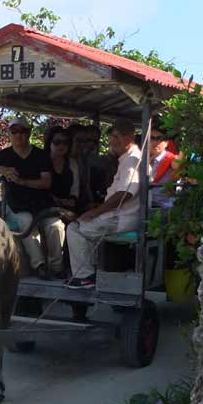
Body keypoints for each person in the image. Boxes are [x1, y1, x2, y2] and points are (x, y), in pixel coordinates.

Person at [0, 117, 65, 280]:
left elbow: (46, 182)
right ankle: (39, 265)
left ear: (29, 133)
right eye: (14, 131)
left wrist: (22, 181)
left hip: (42, 204)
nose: (19, 135)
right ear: (9, 134)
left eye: (23, 131)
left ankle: (57, 267)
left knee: (56, 226)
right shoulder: (3, 155)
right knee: (26, 222)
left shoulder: (40, 155)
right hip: (16, 205)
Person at [65, 119, 143, 289]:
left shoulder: (132, 160)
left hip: (121, 219)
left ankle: (85, 276)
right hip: (120, 216)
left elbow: (125, 194)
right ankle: (91, 272)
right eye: (112, 136)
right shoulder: (127, 158)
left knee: (75, 229)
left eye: (119, 136)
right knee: (83, 225)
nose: (114, 141)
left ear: (131, 137)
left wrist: (97, 211)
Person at [148, 122, 180, 208]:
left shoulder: (171, 159)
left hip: (162, 206)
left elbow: (178, 165)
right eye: (152, 138)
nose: (155, 142)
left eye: (159, 138)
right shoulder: (145, 160)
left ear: (166, 142)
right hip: (146, 204)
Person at [44, 126, 75, 210]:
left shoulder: (72, 163)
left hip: (67, 208)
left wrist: (72, 200)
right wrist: (56, 200)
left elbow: (75, 190)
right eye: (57, 142)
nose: (61, 145)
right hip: (44, 206)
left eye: (65, 142)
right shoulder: (41, 161)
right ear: (49, 142)